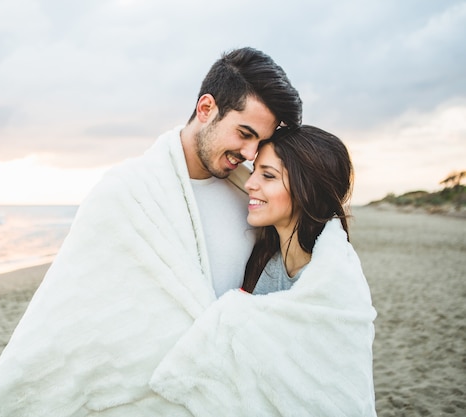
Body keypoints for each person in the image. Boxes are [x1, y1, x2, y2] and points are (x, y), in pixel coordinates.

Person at [0, 47, 302, 416]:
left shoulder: (251, 198)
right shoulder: (124, 192)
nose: (251, 153)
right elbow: (61, 320)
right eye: (244, 133)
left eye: (260, 142)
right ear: (206, 109)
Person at [150, 126, 378, 416]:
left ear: (308, 188)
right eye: (254, 171)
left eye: (268, 176)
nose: (249, 184)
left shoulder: (334, 282)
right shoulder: (263, 258)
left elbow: (335, 391)